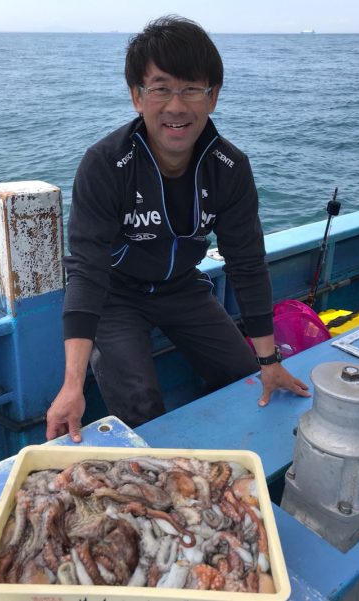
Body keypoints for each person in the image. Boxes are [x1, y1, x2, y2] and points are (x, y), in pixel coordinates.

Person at [46, 15, 310, 442]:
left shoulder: (230, 168)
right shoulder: (106, 164)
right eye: (161, 88)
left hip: (181, 287)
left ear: (214, 97)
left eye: (192, 88)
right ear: (136, 96)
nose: (176, 105)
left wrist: (269, 360)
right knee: (142, 407)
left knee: (243, 376)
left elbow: (246, 262)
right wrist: (72, 385)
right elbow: (88, 271)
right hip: (116, 294)